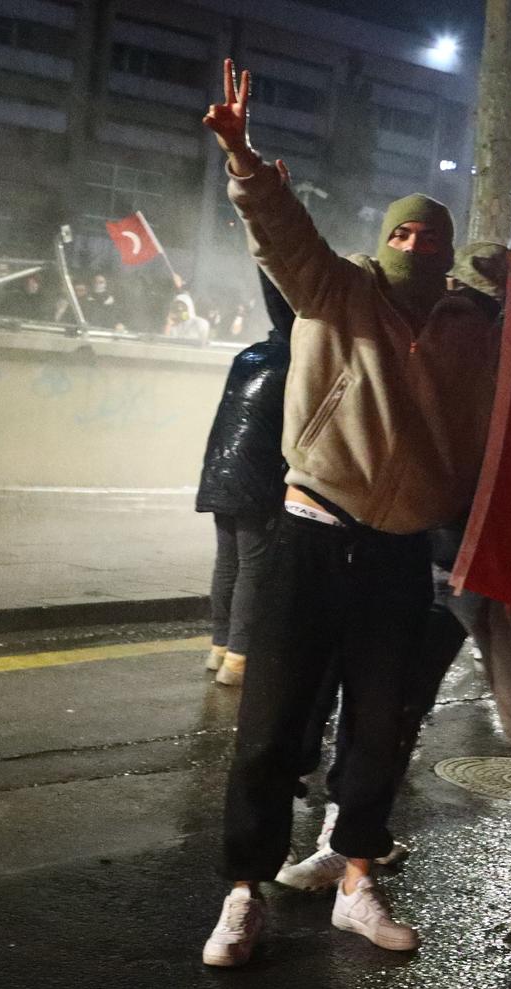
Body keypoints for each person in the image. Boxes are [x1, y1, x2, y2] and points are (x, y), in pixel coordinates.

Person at [198, 58, 496, 968]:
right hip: (310, 538)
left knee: (380, 728)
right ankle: (244, 892)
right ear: (382, 239)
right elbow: (276, 231)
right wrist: (243, 158)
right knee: (270, 729)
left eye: (433, 236)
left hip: (401, 556)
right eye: (404, 232)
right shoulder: (332, 288)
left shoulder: (469, 326)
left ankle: (357, 882)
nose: (419, 244)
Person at [278, 241, 511, 937]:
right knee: (384, 713)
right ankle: (351, 843)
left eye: (481, 305)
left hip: (499, 569)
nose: (465, 316)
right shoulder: (439, 348)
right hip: (429, 555)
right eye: (463, 301)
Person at [196, 271, 294, 686]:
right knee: (254, 568)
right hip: (256, 480)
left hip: (220, 472)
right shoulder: (298, 363)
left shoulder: (249, 356)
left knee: (228, 563)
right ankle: (239, 657)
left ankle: (218, 649)